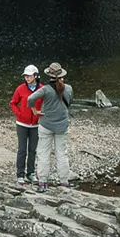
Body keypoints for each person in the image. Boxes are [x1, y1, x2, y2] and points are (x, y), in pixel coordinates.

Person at [26, 62, 74, 191]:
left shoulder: (45, 89)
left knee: (43, 153)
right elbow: (69, 102)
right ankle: (64, 182)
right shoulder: (68, 88)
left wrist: (35, 111)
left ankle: (42, 183)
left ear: (49, 75)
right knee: (62, 154)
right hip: (62, 126)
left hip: (46, 125)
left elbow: (30, 99)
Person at [9, 64, 43, 186]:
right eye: (25, 76)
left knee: (33, 150)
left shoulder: (42, 89)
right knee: (22, 150)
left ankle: (31, 173)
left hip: (36, 125)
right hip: (22, 124)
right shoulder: (20, 89)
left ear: (35, 76)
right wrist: (19, 114)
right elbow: (13, 103)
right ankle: (20, 175)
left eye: (29, 76)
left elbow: (46, 104)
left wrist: (41, 116)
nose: (27, 78)